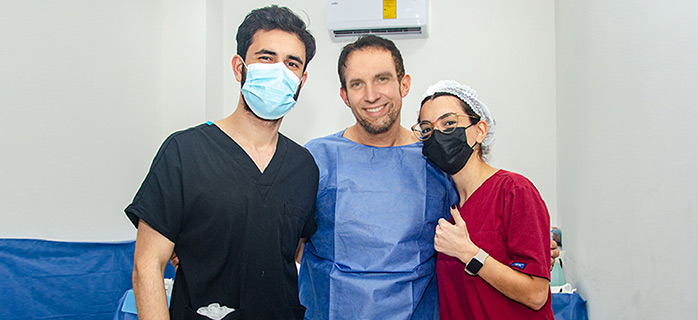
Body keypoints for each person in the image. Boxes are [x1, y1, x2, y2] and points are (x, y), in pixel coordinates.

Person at [125, 5, 318, 319]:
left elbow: (290, 250)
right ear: (239, 67)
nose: (279, 71)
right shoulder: (184, 153)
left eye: (291, 63)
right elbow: (146, 267)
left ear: (301, 80)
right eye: (266, 58)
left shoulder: (304, 166)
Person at [298, 35, 457, 319]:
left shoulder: (436, 162)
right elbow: (286, 242)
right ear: (344, 95)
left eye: (382, 79)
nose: (371, 95)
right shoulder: (317, 158)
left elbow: (472, 231)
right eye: (357, 84)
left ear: (404, 84)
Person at [415, 80, 554, 319]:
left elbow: (536, 294)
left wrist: (469, 253)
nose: (437, 135)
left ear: (479, 130)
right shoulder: (446, 209)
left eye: (449, 123)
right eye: (427, 129)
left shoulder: (513, 191)